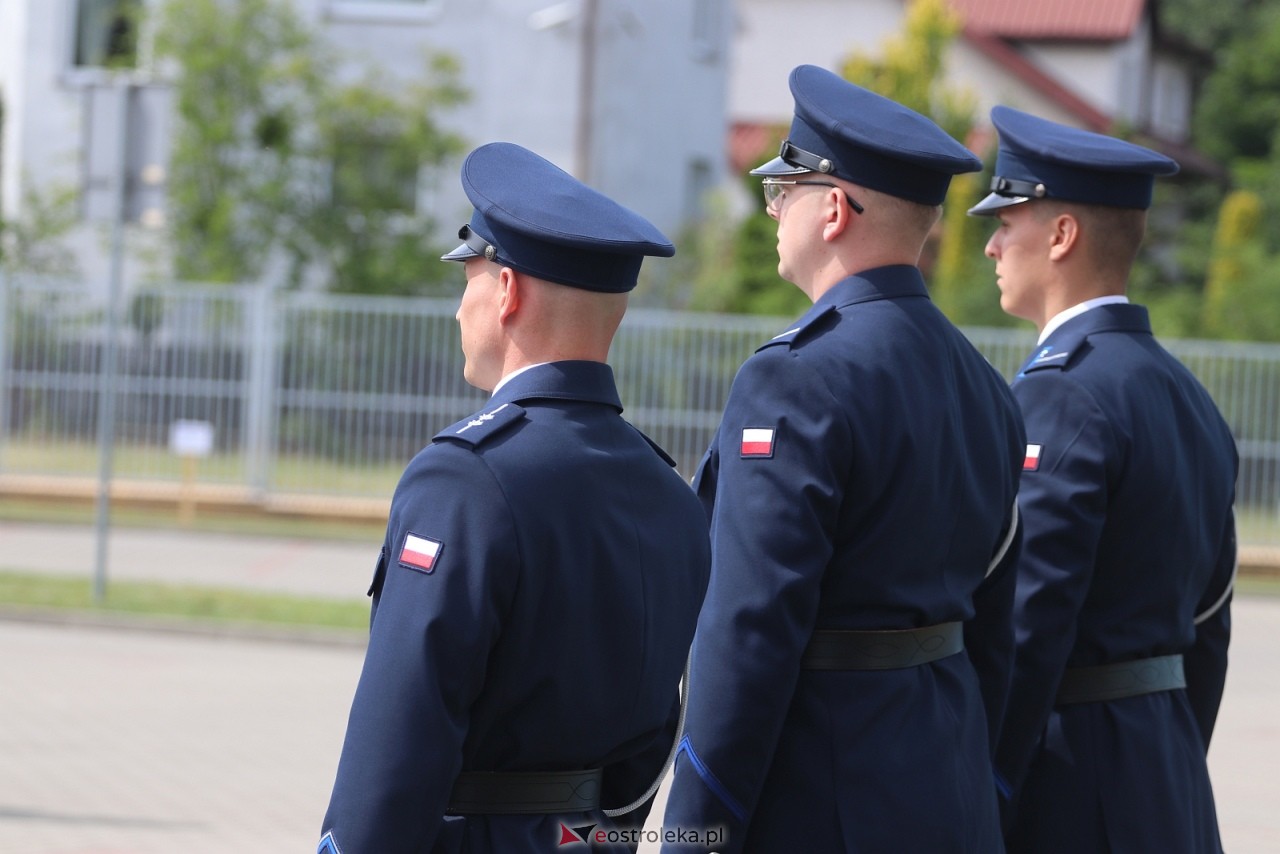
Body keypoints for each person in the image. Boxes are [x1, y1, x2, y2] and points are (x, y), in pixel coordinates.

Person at [661, 65, 1027, 853]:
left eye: (781, 190)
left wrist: (697, 831)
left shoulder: (794, 376)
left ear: (832, 209)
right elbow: (998, 628)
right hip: (949, 786)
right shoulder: (984, 385)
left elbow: (748, 633)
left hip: (823, 799)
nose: (772, 211)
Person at [318, 141, 711, 854]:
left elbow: (402, 732)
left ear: (507, 291)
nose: (459, 305)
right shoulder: (670, 494)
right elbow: (657, 734)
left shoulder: (464, 481)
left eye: (467, 276)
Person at [969, 106, 1239, 853]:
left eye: (1008, 221)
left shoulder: (1061, 393)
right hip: (1165, 775)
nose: (991, 244)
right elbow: (1209, 625)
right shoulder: (1187, 396)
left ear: (1062, 236)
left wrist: (987, 789)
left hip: (1070, 785)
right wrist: (1162, 751)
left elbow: (1028, 626)